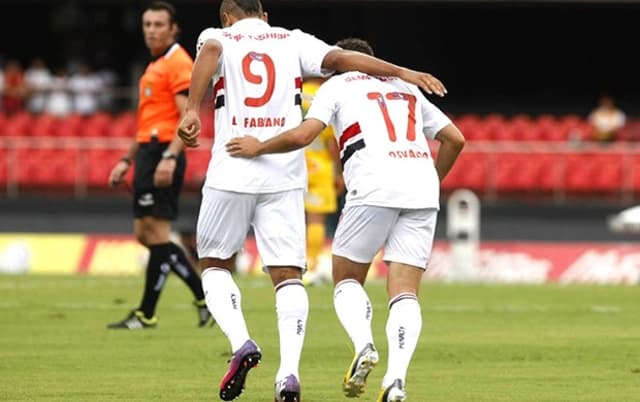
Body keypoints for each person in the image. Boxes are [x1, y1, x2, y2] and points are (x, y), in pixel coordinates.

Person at [177, 1, 446, 400]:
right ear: (265, 16)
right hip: (285, 178)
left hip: (233, 166)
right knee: (288, 276)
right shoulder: (293, 40)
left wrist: (190, 109)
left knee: (214, 263)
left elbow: (211, 54)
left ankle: (242, 342)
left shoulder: (218, 37)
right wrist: (403, 71)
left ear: (227, 17)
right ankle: (288, 374)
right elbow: (343, 58)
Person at [226, 37, 465, 402]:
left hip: (373, 185)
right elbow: (455, 139)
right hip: (421, 189)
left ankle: (364, 343)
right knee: (404, 292)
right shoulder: (406, 88)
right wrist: (431, 182)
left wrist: (259, 146)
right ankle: (396, 382)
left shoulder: (336, 85)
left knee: (347, 278)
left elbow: (306, 133)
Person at [107, 1, 213, 330]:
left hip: (164, 152)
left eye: (158, 24)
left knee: (157, 235)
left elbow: (187, 117)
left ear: (173, 29)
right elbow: (147, 121)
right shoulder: (155, 66)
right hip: (150, 151)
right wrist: (127, 158)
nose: (151, 30)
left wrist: (170, 156)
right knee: (147, 234)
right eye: (147, 24)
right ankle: (203, 297)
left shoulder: (178, 63)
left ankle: (146, 314)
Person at [300, 77, 344, 284]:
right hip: (319, 166)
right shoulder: (326, 96)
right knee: (315, 219)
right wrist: (339, 172)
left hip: (293, 163)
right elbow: (332, 142)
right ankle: (312, 265)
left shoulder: (295, 91)